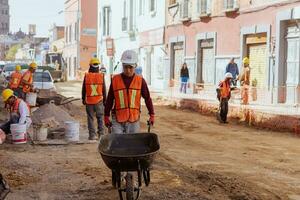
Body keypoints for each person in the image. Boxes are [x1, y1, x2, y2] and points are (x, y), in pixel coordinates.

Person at [104, 50, 155, 134]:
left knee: (133, 144)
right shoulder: (115, 80)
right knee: (117, 143)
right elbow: (109, 99)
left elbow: (147, 98)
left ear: (135, 66)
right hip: (117, 118)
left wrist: (152, 114)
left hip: (133, 119)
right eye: (125, 67)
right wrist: (106, 116)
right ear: (122, 66)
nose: (128, 70)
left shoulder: (140, 81)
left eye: (130, 67)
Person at [81, 58, 106, 140]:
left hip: (89, 101)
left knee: (90, 119)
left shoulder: (87, 76)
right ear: (98, 66)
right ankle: (101, 134)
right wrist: (105, 101)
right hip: (99, 101)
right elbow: (104, 89)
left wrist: (83, 99)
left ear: (90, 66)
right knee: (100, 118)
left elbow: (84, 89)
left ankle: (92, 135)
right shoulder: (101, 76)